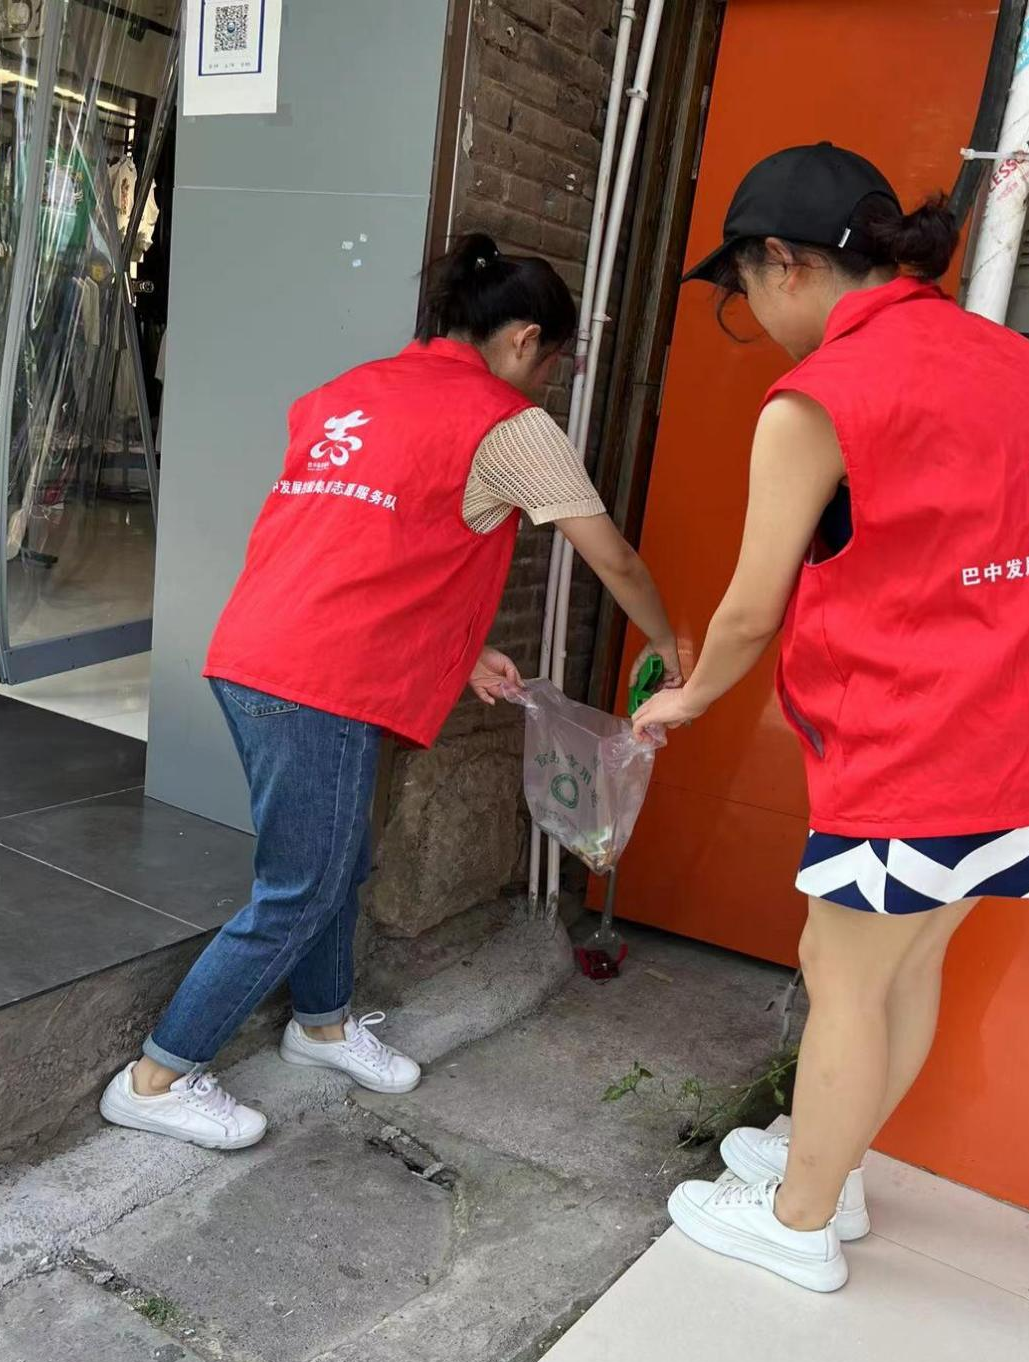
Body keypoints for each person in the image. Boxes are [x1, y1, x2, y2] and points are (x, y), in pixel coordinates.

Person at [633, 143, 1029, 1294]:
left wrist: (686, 698)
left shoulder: (824, 395)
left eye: (743, 292)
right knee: (906, 964)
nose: (756, 318)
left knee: (844, 972)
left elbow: (750, 607)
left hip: (928, 746)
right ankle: (835, 1160)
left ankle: (800, 1218)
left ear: (783, 262)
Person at [101, 233, 681, 1150]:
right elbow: (610, 557)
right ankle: (157, 1076)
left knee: (336, 862)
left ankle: (322, 1025)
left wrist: (465, 649)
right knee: (301, 886)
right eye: (554, 365)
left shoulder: (347, 393)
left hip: (258, 653)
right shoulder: (507, 424)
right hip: (321, 680)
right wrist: (669, 641)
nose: (547, 385)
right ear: (525, 340)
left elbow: (367, 545)